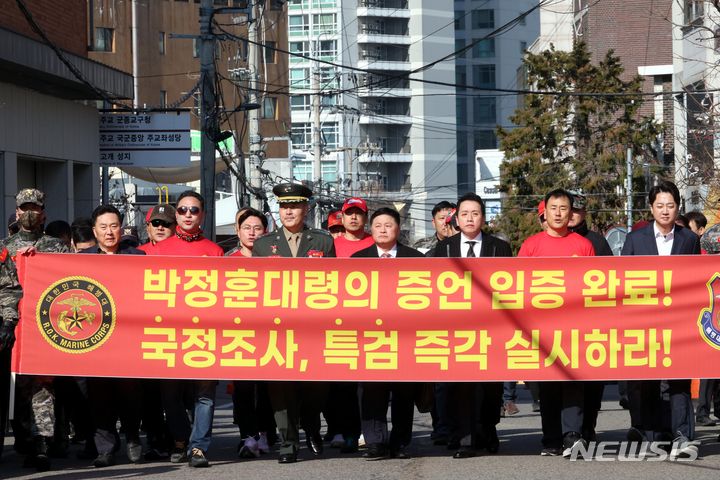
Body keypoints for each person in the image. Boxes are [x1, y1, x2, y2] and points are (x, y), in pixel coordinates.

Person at [253, 183, 335, 464]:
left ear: (306, 208)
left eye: (295, 206)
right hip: (277, 329)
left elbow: (334, 285)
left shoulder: (323, 242)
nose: (288, 211)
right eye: (284, 206)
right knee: (280, 388)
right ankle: (288, 443)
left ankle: (311, 425)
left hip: (313, 329)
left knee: (316, 388)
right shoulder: (263, 245)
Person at [621, 180, 700, 458]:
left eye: (670, 205)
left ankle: (682, 434)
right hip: (644, 320)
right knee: (648, 379)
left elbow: (697, 280)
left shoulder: (689, 239)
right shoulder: (635, 239)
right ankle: (653, 434)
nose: (665, 211)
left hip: (678, 321)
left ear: (678, 207)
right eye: (660, 206)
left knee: (678, 379)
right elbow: (623, 281)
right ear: (651, 208)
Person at [433, 193, 512, 458]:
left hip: (491, 329)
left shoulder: (499, 248)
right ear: (457, 217)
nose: (470, 218)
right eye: (465, 213)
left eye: (475, 213)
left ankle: (488, 431)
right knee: (460, 385)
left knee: (489, 386)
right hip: (454, 329)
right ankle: (463, 437)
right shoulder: (443, 249)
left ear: (483, 217)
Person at [148, 191, 224, 468]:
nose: (188, 214)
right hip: (168, 333)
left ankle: (198, 447)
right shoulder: (154, 250)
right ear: (176, 214)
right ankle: (179, 439)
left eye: (194, 210)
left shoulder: (215, 251)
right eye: (182, 210)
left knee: (205, 394)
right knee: (170, 393)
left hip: (205, 333)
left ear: (203, 214)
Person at [518, 189, 595, 458]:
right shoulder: (531, 245)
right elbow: (520, 286)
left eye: (564, 208)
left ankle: (572, 435)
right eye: (554, 208)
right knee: (548, 384)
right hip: (542, 327)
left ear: (571, 212)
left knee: (573, 381)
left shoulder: (583, 246)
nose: (559, 213)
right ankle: (550, 437)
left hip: (575, 325)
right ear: (545, 212)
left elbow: (593, 285)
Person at [1, 189, 69, 471]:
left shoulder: (57, 246)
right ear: (16, 212)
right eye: (24, 207)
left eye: (34, 207)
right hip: (12, 324)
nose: (29, 212)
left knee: (43, 386)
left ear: (43, 213)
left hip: (46, 326)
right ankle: (23, 438)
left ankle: (42, 443)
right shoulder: (4, 247)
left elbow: (73, 279)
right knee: (16, 386)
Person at [352, 207, 424, 460]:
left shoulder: (415, 259)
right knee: (371, 392)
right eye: (378, 225)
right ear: (371, 229)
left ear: (398, 229)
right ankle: (374, 442)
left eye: (388, 225)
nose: (383, 230)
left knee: (404, 391)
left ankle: (401, 441)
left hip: (404, 337)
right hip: (370, 338)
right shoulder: (357, 260)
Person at [78, 205, 145, 468]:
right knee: (99, 395)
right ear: (94, 231)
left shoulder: (137, 257)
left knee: (130, 392)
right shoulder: (81, 259)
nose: (109, 232)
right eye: (103, 227)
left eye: (114, 226)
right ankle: (105, 446)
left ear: (121, 227)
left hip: (128, 338)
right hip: (96, 339)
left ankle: (132, 437)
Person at [226, 208, 276, 458]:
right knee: (243, 389)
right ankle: (247, 436)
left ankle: (266, 434)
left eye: (258, 228)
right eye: (247, 228)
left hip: (270, 334)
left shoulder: (275, 260)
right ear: (238, 231)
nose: (252, 233)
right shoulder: (228, 261)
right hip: (239, 335)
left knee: (268, 389)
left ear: (265, 232)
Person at [325, 198, 371, 453]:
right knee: (340, 384)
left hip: (369, 323)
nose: (353, 218)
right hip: (338, 323)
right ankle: (343, 430)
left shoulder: (375, 244)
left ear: (365, 218)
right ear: (341, 218)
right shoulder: (330, 245)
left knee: (366, 384)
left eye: (358, 214)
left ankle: (368, 429)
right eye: (348, 214)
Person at [568, 192, 613, 440]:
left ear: (584, 213)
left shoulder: (597, 242)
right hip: (560, 325)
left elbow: (611, 280)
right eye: (568, 209)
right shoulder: (553, 240)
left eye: (577, 210)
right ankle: (568, 430)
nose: (572, 214)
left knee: (593, 382)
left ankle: (589, 426)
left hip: (592, 324)